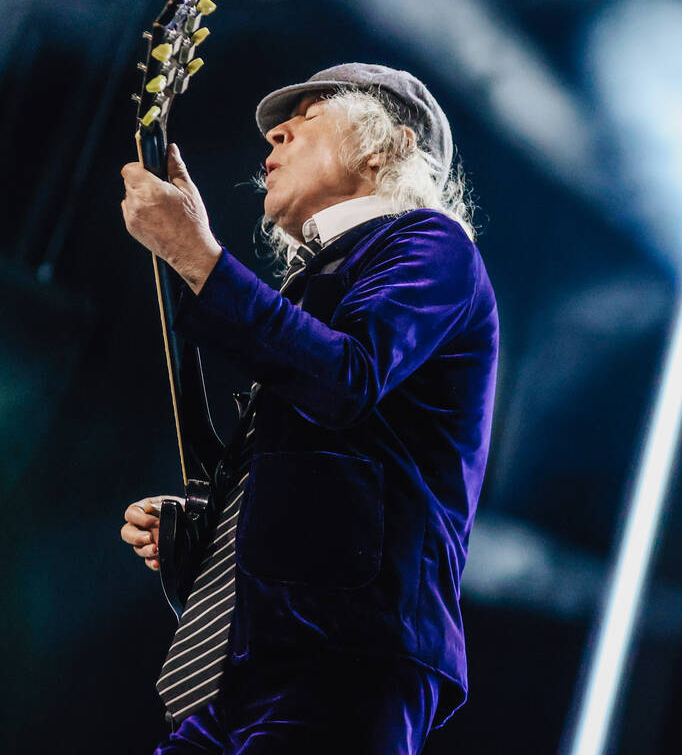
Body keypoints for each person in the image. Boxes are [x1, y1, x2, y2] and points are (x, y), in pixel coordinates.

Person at [118, 63, 498, 753]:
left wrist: (199, 257)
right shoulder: (316, 284)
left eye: (309, 116)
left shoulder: (433, 245)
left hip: (346, 654)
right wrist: (210, 531)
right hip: (245, 660)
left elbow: (346, 379)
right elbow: (330, 463)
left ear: (390, 146)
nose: (274, 135)